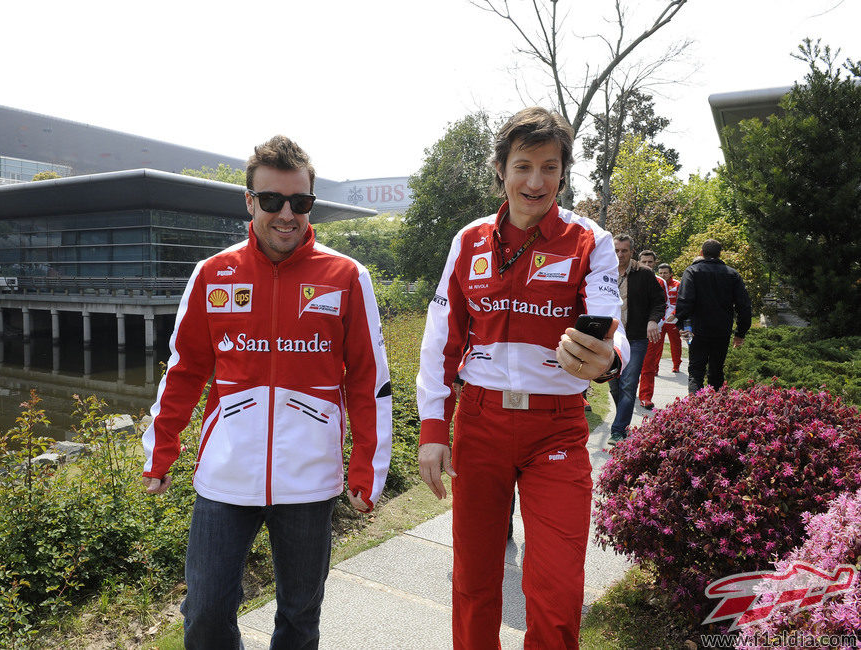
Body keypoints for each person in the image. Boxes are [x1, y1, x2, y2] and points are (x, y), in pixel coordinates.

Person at [141, 135, 392, 649]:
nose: (286, 214)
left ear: (310, 205)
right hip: (225, 477)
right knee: (206, 613)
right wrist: (160, 448)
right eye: (273, 200)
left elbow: (368, 379)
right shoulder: (212, 274)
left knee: (299, 618)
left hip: (309, 480)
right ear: (249, 201)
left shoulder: (347, 276)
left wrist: (368, 466)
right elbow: (185, 370)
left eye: (299, 203)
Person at [417, 106, 628, 650]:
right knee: (473, 582)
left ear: (564, 172)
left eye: (550, 168)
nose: (536, 182)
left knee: (556, 591)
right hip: (481, 423)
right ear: (501, 169)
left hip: (556, 430)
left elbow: (610, 325)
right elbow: (441, 337)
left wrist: (609, 357)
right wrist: (433, 429)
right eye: (523, 166)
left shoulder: (590, 241)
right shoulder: (468, 240)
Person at [608, 236, 666, 444]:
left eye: (624, 250)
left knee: (628, 383)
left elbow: (660, 301)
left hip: (636, 338)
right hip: (610, 338)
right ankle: (622, 422)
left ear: (632, 252)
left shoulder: (644, 274)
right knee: (614, 385)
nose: (620, 255)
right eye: (616, 250)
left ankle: (617, 430)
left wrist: (652, 321)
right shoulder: (605, 271)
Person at [675, 238, 752, 394]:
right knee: (717, 371)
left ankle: (695, 409)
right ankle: (715, 409)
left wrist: (682, 325)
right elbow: (744, 305)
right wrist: (740, 332)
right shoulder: (732, 274)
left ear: (701, 253)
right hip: (722, 330)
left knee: (696, 371)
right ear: (719, 254)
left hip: (697, 329)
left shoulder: (692, 271)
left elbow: (684, 300)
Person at [636, 250, 670, 410]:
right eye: (644, 262)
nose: (647, 265)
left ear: (654, 263)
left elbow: (666, 305)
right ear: (638, 262)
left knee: (648, 365)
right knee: (629, 365)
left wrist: (658, 323)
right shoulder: (630, 277)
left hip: (652, 332)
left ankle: (645, 397)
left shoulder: (660, 282)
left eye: (650, 262)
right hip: (630, 331)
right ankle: (627, 392)